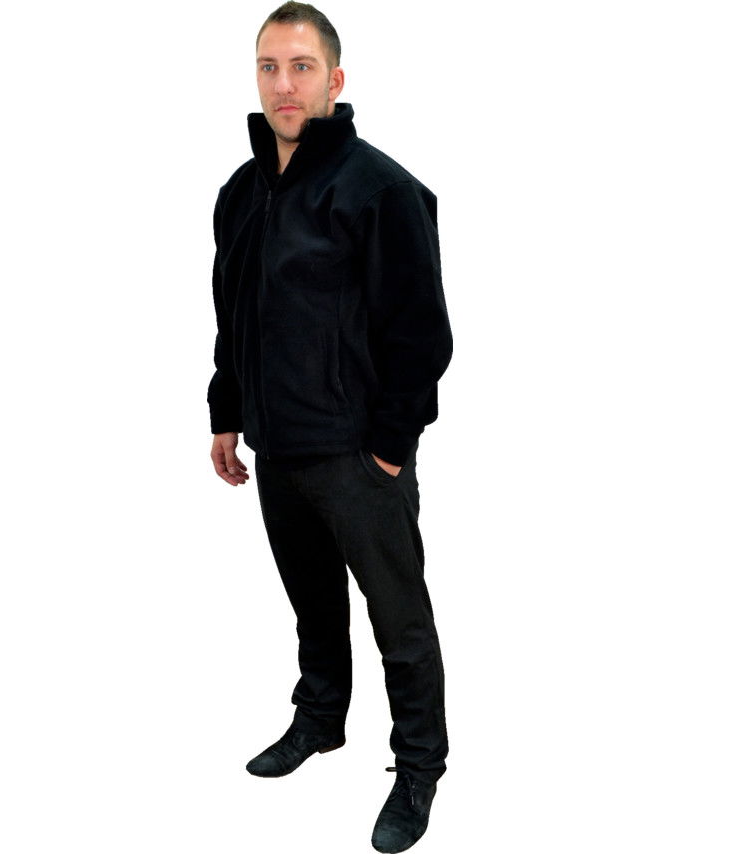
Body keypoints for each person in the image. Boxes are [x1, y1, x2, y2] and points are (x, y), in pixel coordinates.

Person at [206, 3, 453, 852]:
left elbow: (421, 333)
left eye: (302, 67)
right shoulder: (241, 194)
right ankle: (320, 718)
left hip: (357, 455)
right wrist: (227, 414)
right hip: (277, 450)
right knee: (312, 605)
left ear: (335, 80)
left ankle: (419, 767)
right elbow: (233, 315)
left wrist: (389, 447)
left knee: (400, 622)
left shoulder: (380, 189)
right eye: (270, 67)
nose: (284, 84)